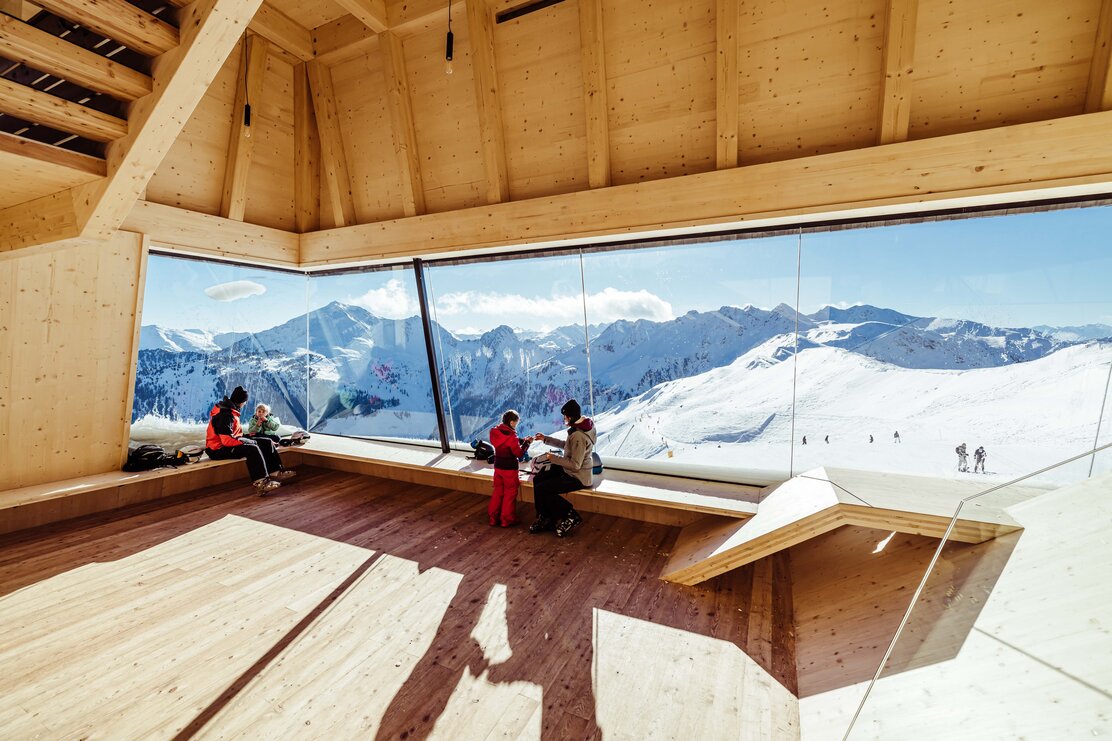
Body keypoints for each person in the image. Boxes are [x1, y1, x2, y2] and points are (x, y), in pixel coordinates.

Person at [205, 386, 296, 495]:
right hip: (217, 449)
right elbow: (226, 440)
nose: (245, 404)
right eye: (245, 401)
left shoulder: (231, 411)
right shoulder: (225, 415)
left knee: (266, 441)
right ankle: (261, 483)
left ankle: (275, 472)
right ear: (241, 402)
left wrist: (248, 436)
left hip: (229, 443)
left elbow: (234, 435)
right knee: (252, 449)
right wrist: (248, 441)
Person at [529, 399, 595, 538]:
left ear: (570, 417)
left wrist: (552, 458)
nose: (564, 419)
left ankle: (570, 515)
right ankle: (545, 517)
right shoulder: (580, 428)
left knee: (545, 488)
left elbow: (575, 465)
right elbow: (568, 446)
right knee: (539, 479)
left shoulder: (578, 435)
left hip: (578, 476)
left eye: (565, 416)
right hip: (570, 470)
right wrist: (546, 439)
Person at [488, 410, 527, 528]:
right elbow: (518, 453)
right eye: (516, 423)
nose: (516, 425)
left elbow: (504, 442)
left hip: (498, 466)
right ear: (511, 422)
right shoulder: (511, 437)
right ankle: (506, 520)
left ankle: (493, 518)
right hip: (509, 469)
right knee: (510, 493)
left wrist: (520, 440)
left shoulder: (494, 432)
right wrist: (527, 444)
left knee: (498, 491)